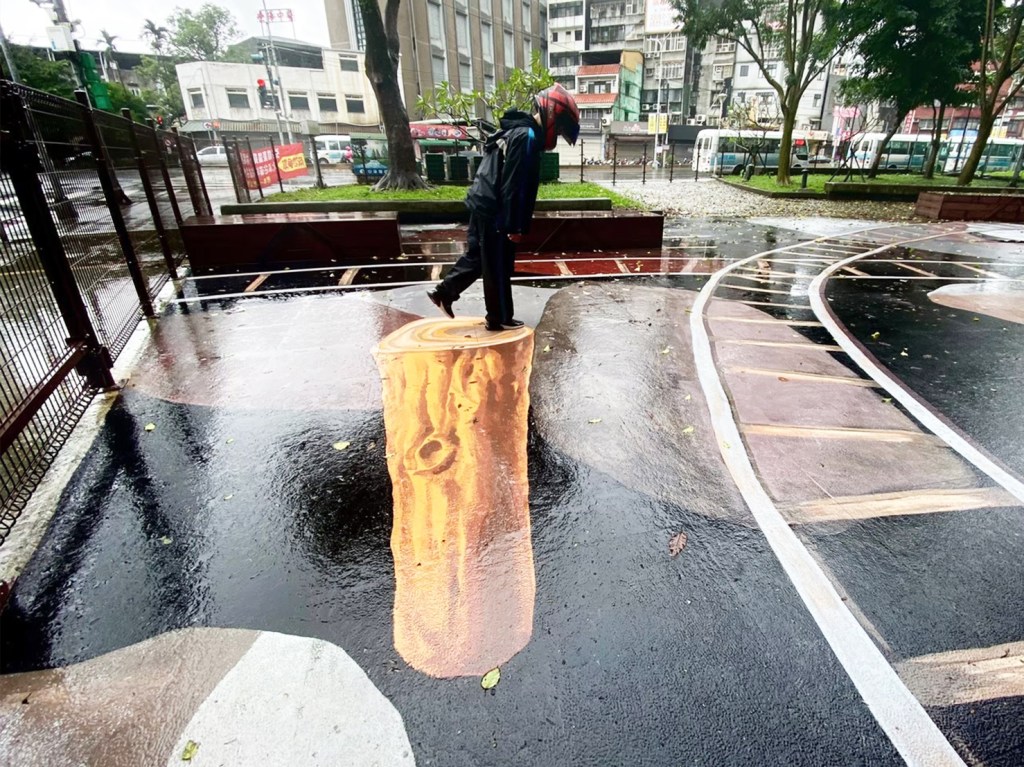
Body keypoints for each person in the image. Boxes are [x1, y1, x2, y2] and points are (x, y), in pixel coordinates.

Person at [427, 84, 580, 331]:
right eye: (560, 127)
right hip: (494, 208)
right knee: (496, 264)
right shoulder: (527, 136)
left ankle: (444, 294)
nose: (559, 133)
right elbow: (515, 185)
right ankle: (497, 318)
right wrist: (514, 225)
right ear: (552, 114)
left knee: (480, 256)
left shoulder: (516, 130)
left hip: (483, 201)